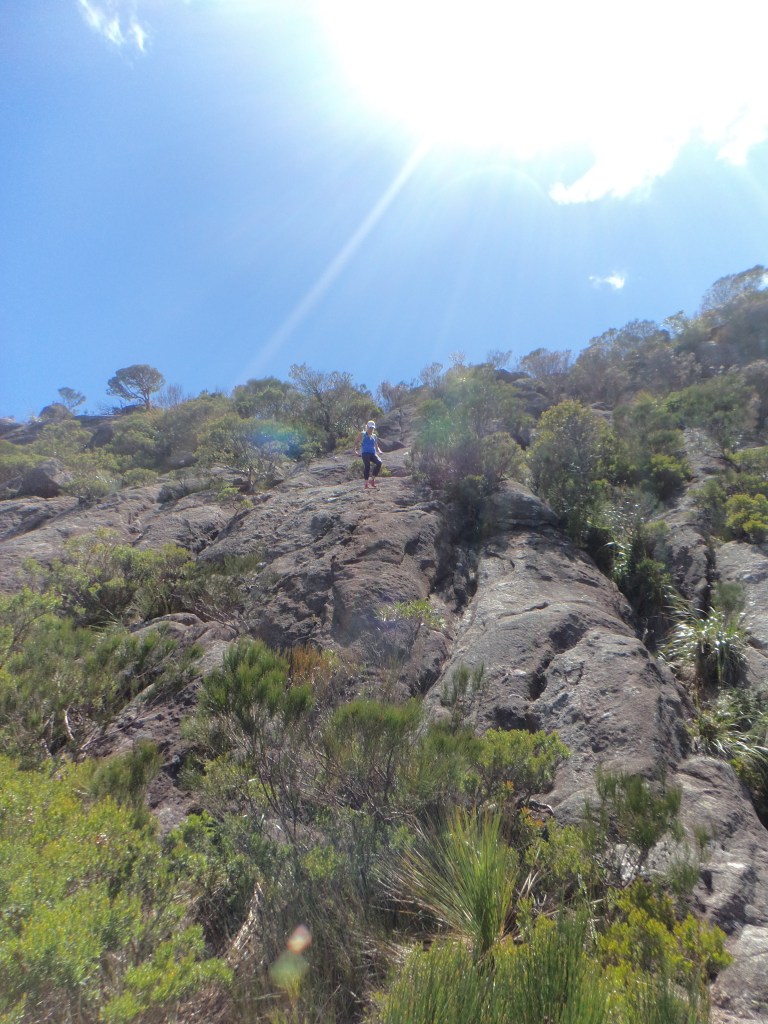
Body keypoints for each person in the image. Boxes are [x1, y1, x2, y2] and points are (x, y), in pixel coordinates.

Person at [355, 420, 383, 489]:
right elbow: (356, 442)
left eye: (372, 428)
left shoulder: (374, 436)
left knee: (379, 462)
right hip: (365, 453)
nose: (371, 429)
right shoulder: (363, 434)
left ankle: (372, 480)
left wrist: (379, 451)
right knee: (367, 465)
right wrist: (354, 451)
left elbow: (376, 446)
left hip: (373, 453)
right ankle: (366, 483)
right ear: (367, 427)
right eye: (370, 428)